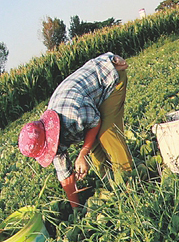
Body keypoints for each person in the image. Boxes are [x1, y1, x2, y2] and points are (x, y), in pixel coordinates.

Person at [18, 52, 132, 208]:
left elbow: (95, 122)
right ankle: (112, 184)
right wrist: (76, 210)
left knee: (107, 133)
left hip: (109, 76)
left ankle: (130, 184)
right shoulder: (51, 137)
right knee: (94, 146)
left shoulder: (72, 114)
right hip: (89, 97)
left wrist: (82, 154)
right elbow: (65, 175)